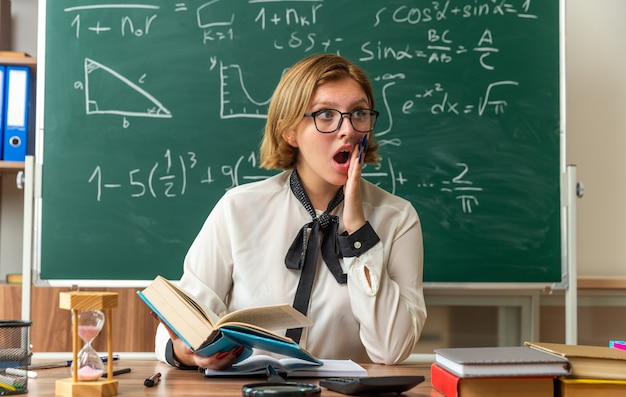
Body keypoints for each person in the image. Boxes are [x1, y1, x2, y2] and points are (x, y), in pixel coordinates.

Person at [155, 53, 427, 370]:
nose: (348, 131)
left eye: (359, 113)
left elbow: (391, 349)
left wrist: (357, 232)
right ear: (290, 131)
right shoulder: (238, 207)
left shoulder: (398, 218)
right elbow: (182, 322)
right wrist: (185, 350)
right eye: (326, 114)